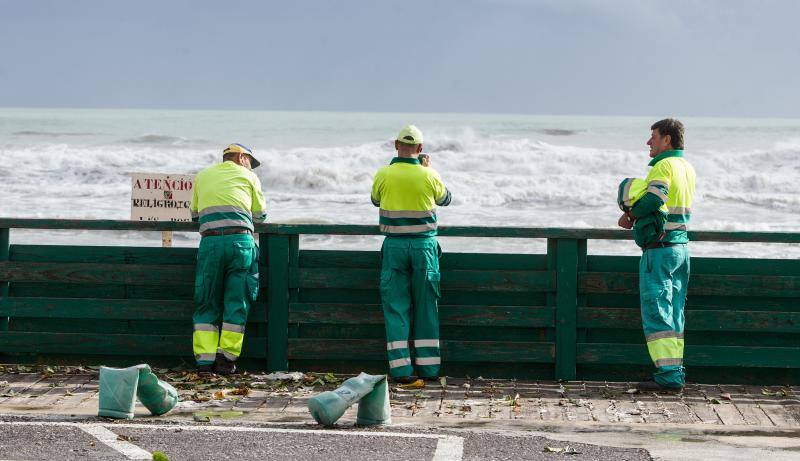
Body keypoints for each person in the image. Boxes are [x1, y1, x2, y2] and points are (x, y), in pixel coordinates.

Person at [617, 119, 696, 392]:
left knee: (657, 310)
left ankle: (668, 375)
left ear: (667, 140)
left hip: (661, 251)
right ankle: (675, 370)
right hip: (681, 249)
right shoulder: (686, 167)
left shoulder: (664, 165)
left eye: (653, 136)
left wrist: (630, 214)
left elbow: (654, 198)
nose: (648, 142)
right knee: (675, 313)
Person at [371, 125, 452, 384]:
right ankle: (429, 370)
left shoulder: (383, 173)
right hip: (424, 248)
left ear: (396, 145)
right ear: (420, 149)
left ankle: (401, 371)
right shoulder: (429, 174)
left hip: (394, 247)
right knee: (427, 308)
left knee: (396, 308)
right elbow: (446, 199)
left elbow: (375, 200)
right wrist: (427, 169)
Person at [189, 143, 267, 375]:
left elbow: (194, 214)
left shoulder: (202, 176)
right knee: (237, 300)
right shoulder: (249, 177)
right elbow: (261, 215)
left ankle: (204, 362)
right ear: (242, 157)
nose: (251, 167)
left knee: (206, 300)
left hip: (210, 243)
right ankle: (227, 360)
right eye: (250, 162)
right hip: (240, 243)